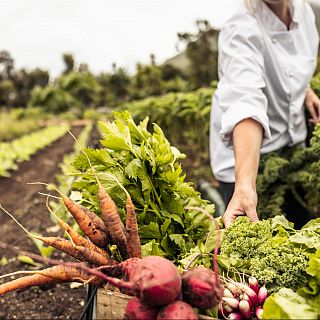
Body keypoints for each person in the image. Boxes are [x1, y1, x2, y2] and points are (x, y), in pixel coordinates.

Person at [209, 0, 320, 228]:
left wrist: (305, 90)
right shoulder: (241, 28)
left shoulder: (306, 12)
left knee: (301, 225)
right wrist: (245, 185)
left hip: (291, 144)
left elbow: (290, 66)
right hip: (245, 159)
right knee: (258, 243)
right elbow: (245, 102)